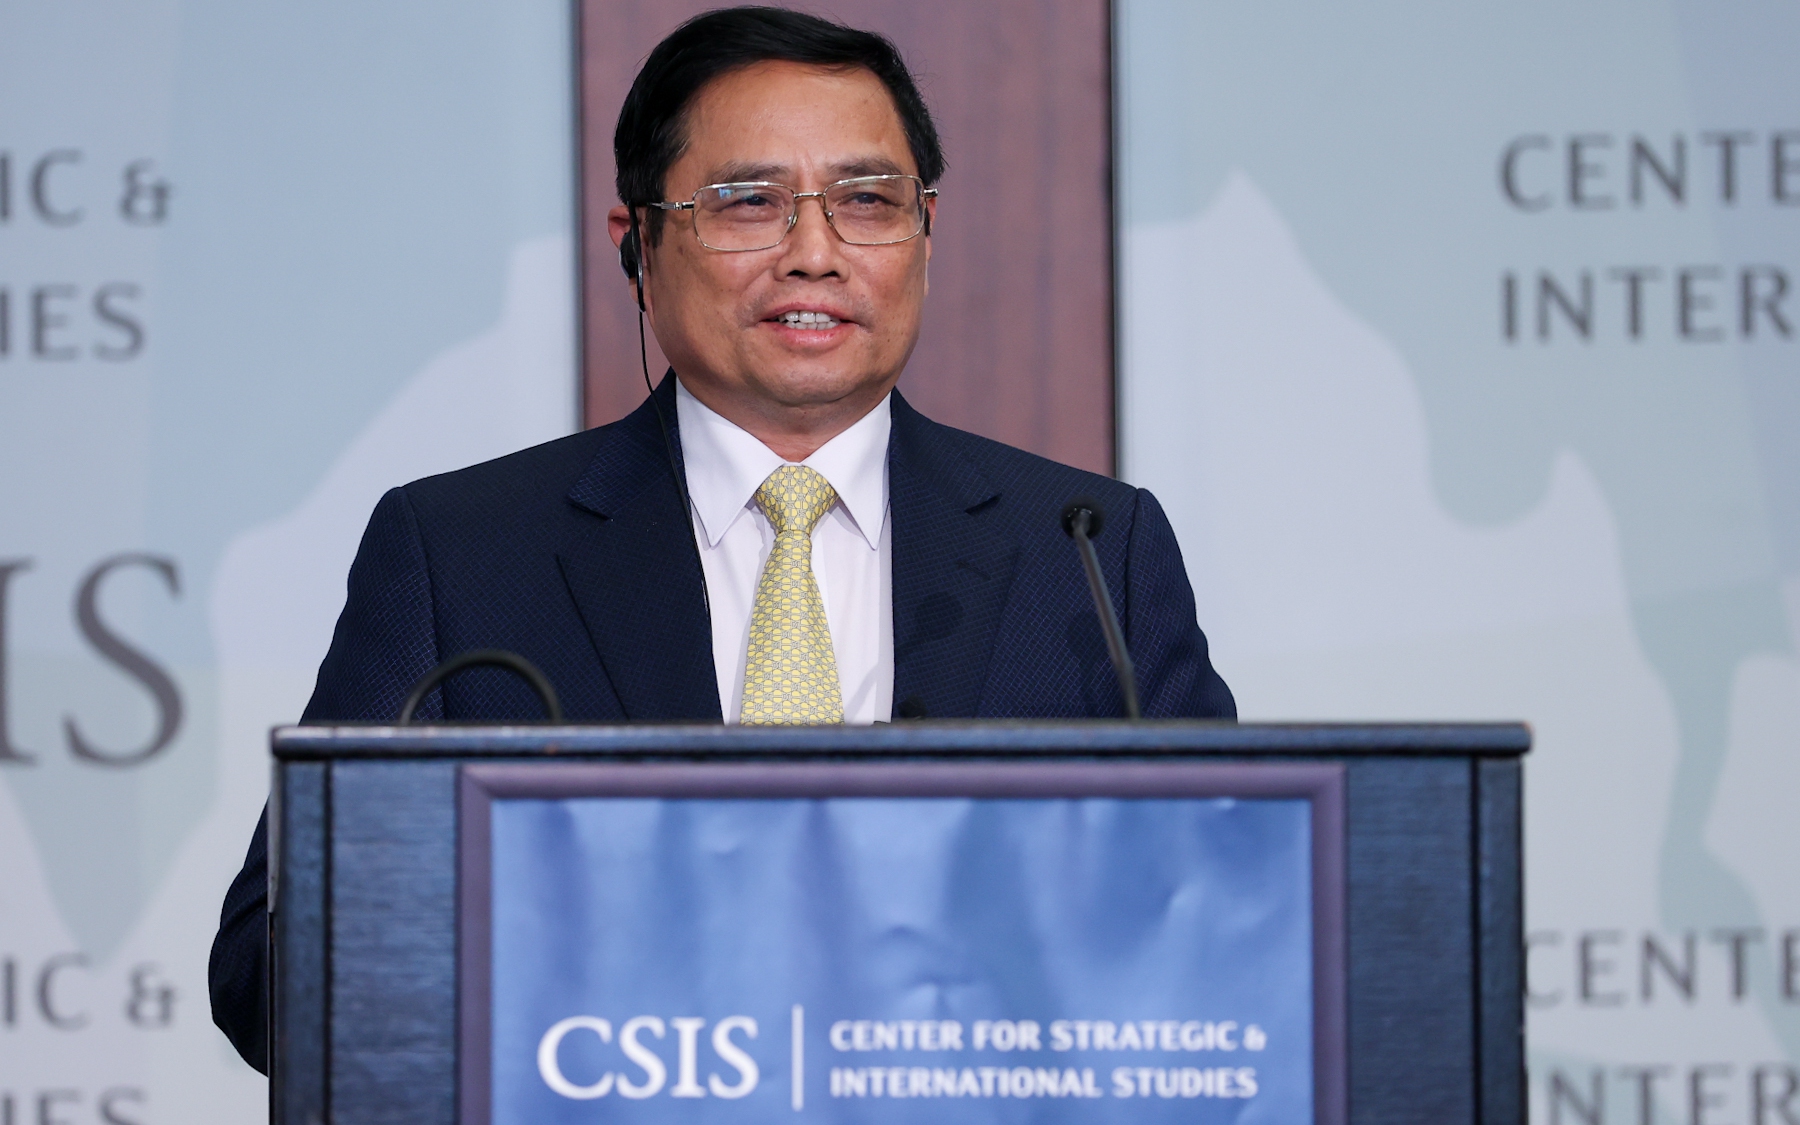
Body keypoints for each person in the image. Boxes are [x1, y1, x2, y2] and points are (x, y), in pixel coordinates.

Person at [208, 5, 1234, 1072]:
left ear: (926, 234)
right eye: (749, 203)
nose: (815, 255)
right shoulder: (460, 554)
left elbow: (1235, 920)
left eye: (867, 201)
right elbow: (271, 976)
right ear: (638, 246)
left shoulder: (1089, 552)